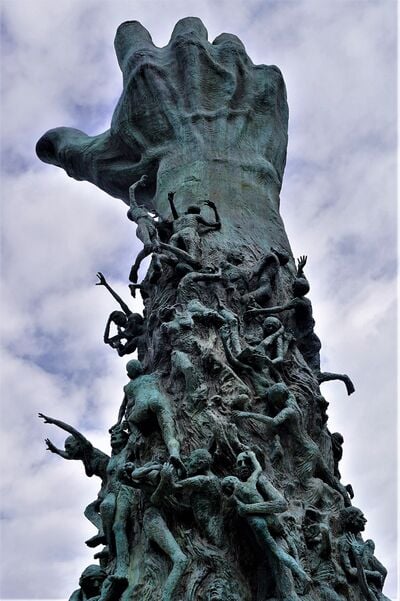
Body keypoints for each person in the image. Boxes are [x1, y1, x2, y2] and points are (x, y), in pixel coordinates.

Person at [38, 413, 109, 548]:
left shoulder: (87, 448)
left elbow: (72, 430)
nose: (67, 450)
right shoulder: (81, 457)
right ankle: (103, 530)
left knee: (106, 506)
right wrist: (55, 451)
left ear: (78, 443)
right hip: (105, 485)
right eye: (66, 448)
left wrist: (53, 420)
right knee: (89, 510)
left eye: (69, 446)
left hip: (115, 480)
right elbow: (66, 456)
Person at [96, 272, 145, 357]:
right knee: (122, 351)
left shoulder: (130, 316)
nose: (116, 320)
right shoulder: (124, 334)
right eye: (114, 320)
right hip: (143, 339)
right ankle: (119, 346)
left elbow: (119, 301)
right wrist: (109, 321)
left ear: (123, 315)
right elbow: (106, 340)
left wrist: (106, 285)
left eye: (117, 317)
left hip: (149, 327)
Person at [127, 174, 162, 283]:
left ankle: (138, 267)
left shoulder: (149, 218)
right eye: (141, 206)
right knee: (148, 245)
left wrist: (159, 214)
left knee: (155, 248)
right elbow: (131, 189)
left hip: (152, 228)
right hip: (142, 226)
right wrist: (139, 181)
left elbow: (160, 225)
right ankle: (135, 267)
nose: (142, 206)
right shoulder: (135, 210)